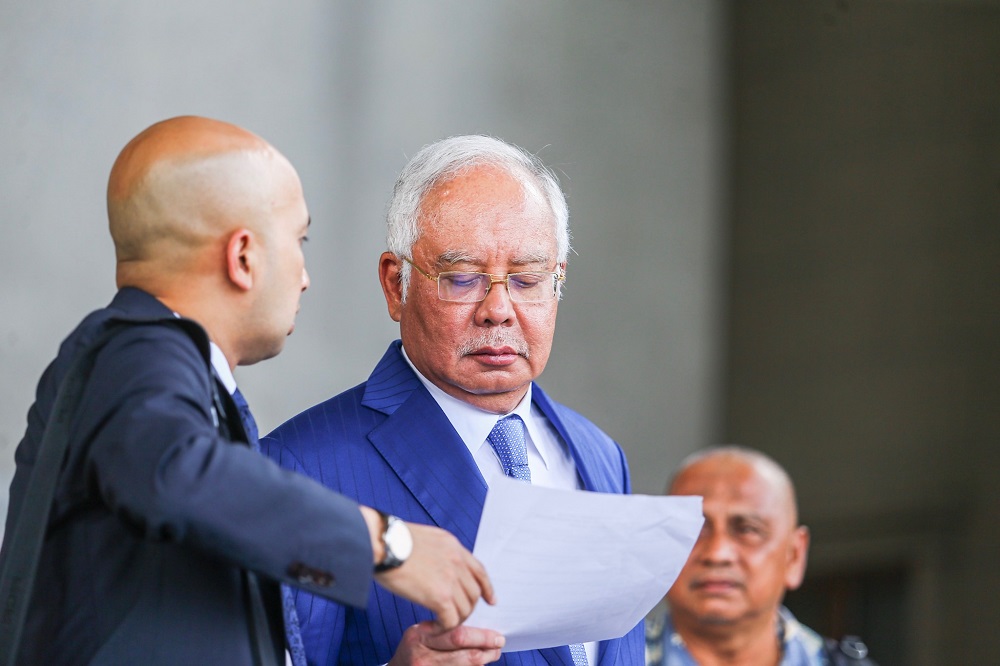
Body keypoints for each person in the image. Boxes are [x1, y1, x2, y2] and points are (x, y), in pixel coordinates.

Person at [0, 116, 495, 666]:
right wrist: (386, 544)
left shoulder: (162, 375)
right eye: (298, 239)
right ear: (242, 257)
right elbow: (176, 472)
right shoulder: (135, 351)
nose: (305, 276)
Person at [263, 135, 645, 665]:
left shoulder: (600, 455)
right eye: (462, 279)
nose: (498, 309)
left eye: (528, 279)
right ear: (396, 285)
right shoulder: (300, 468)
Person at [644, 446, 875, 666]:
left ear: (794, 555)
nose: (717, 553)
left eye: (747, 530)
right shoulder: (613, 658)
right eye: (694, 530)